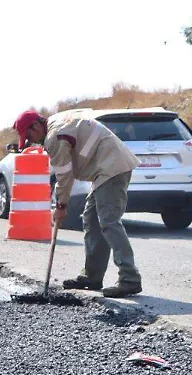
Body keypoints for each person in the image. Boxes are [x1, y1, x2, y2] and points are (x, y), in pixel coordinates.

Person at [14, 109, 142, 298]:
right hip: (105, 167)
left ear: (36, 125)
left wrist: (60, 207)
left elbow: (64, 176)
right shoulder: (56, 122)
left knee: (108, 220)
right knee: (91, 219)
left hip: (112, 167)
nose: (32, 141)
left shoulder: (54, 137)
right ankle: (92, 277)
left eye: (30, 135)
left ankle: (129, 279)